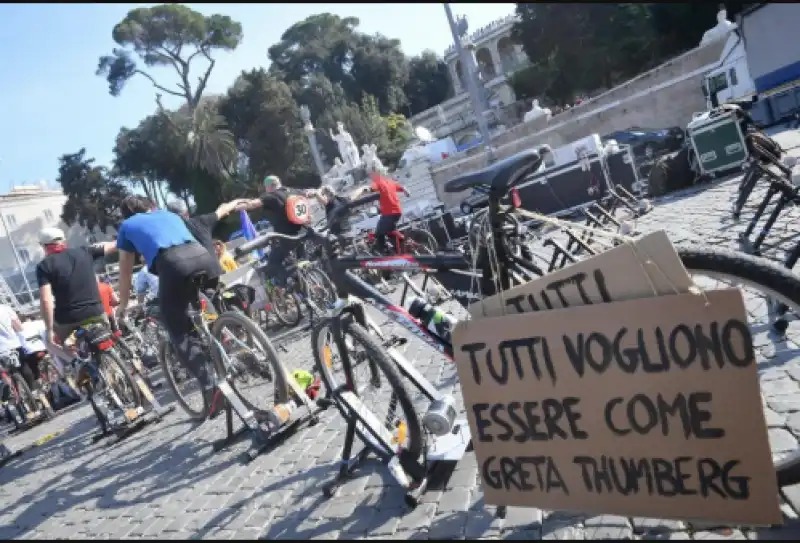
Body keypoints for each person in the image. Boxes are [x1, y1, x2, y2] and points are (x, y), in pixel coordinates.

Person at [113, 196, 222, 416]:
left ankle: (211, 386)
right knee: (197, 306)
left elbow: (125, 270)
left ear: (126, 214)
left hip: (174, 264)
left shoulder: (127, 226)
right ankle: (225, 336)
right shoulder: (169, 214)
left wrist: (122, 304)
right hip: (204, 257)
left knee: (178, 330)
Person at [35, 227, 117, 376]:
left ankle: (76, 362)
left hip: (68, 318)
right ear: (64, 240)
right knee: (100, 331)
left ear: (44, 246)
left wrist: (49, 329)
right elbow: (111, 245)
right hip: (97, 311)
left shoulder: (44, 266)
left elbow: (46, 300)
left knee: (50, 343)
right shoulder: (85, 251)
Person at [236, 175, 308, 287]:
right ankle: (308, 280)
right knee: (298, 260)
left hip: (287, 237)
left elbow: (252, 204)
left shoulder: (272, 196)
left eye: (266, 188)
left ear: (269, 186)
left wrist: (234, 207)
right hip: (304, 232)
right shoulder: (294, 191)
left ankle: (293, 286)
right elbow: (310, 194)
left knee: (273, 263)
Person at [165, 198, 248, 275]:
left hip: (198, 284)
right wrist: (237, 201)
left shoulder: (170, 240)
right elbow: (222, 210)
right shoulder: (201, 222)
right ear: (186, 213)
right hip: (218, 276)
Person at [355, 173, 411, 254]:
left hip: (389, 213)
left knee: (378, 233)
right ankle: (398, 248)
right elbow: (402, 187)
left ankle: (384, 253)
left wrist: (360, 192)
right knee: (389, 231)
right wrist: (407, 192)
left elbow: (369, 189)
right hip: (398, 211)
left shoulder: (379, 183)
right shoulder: (390, 182)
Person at [0, 303, 39, 392]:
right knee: (24, 367)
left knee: (3, 373)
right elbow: (19, 327)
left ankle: (12, 394)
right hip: (14, 345)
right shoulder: (5, 309)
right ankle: (34, 392)